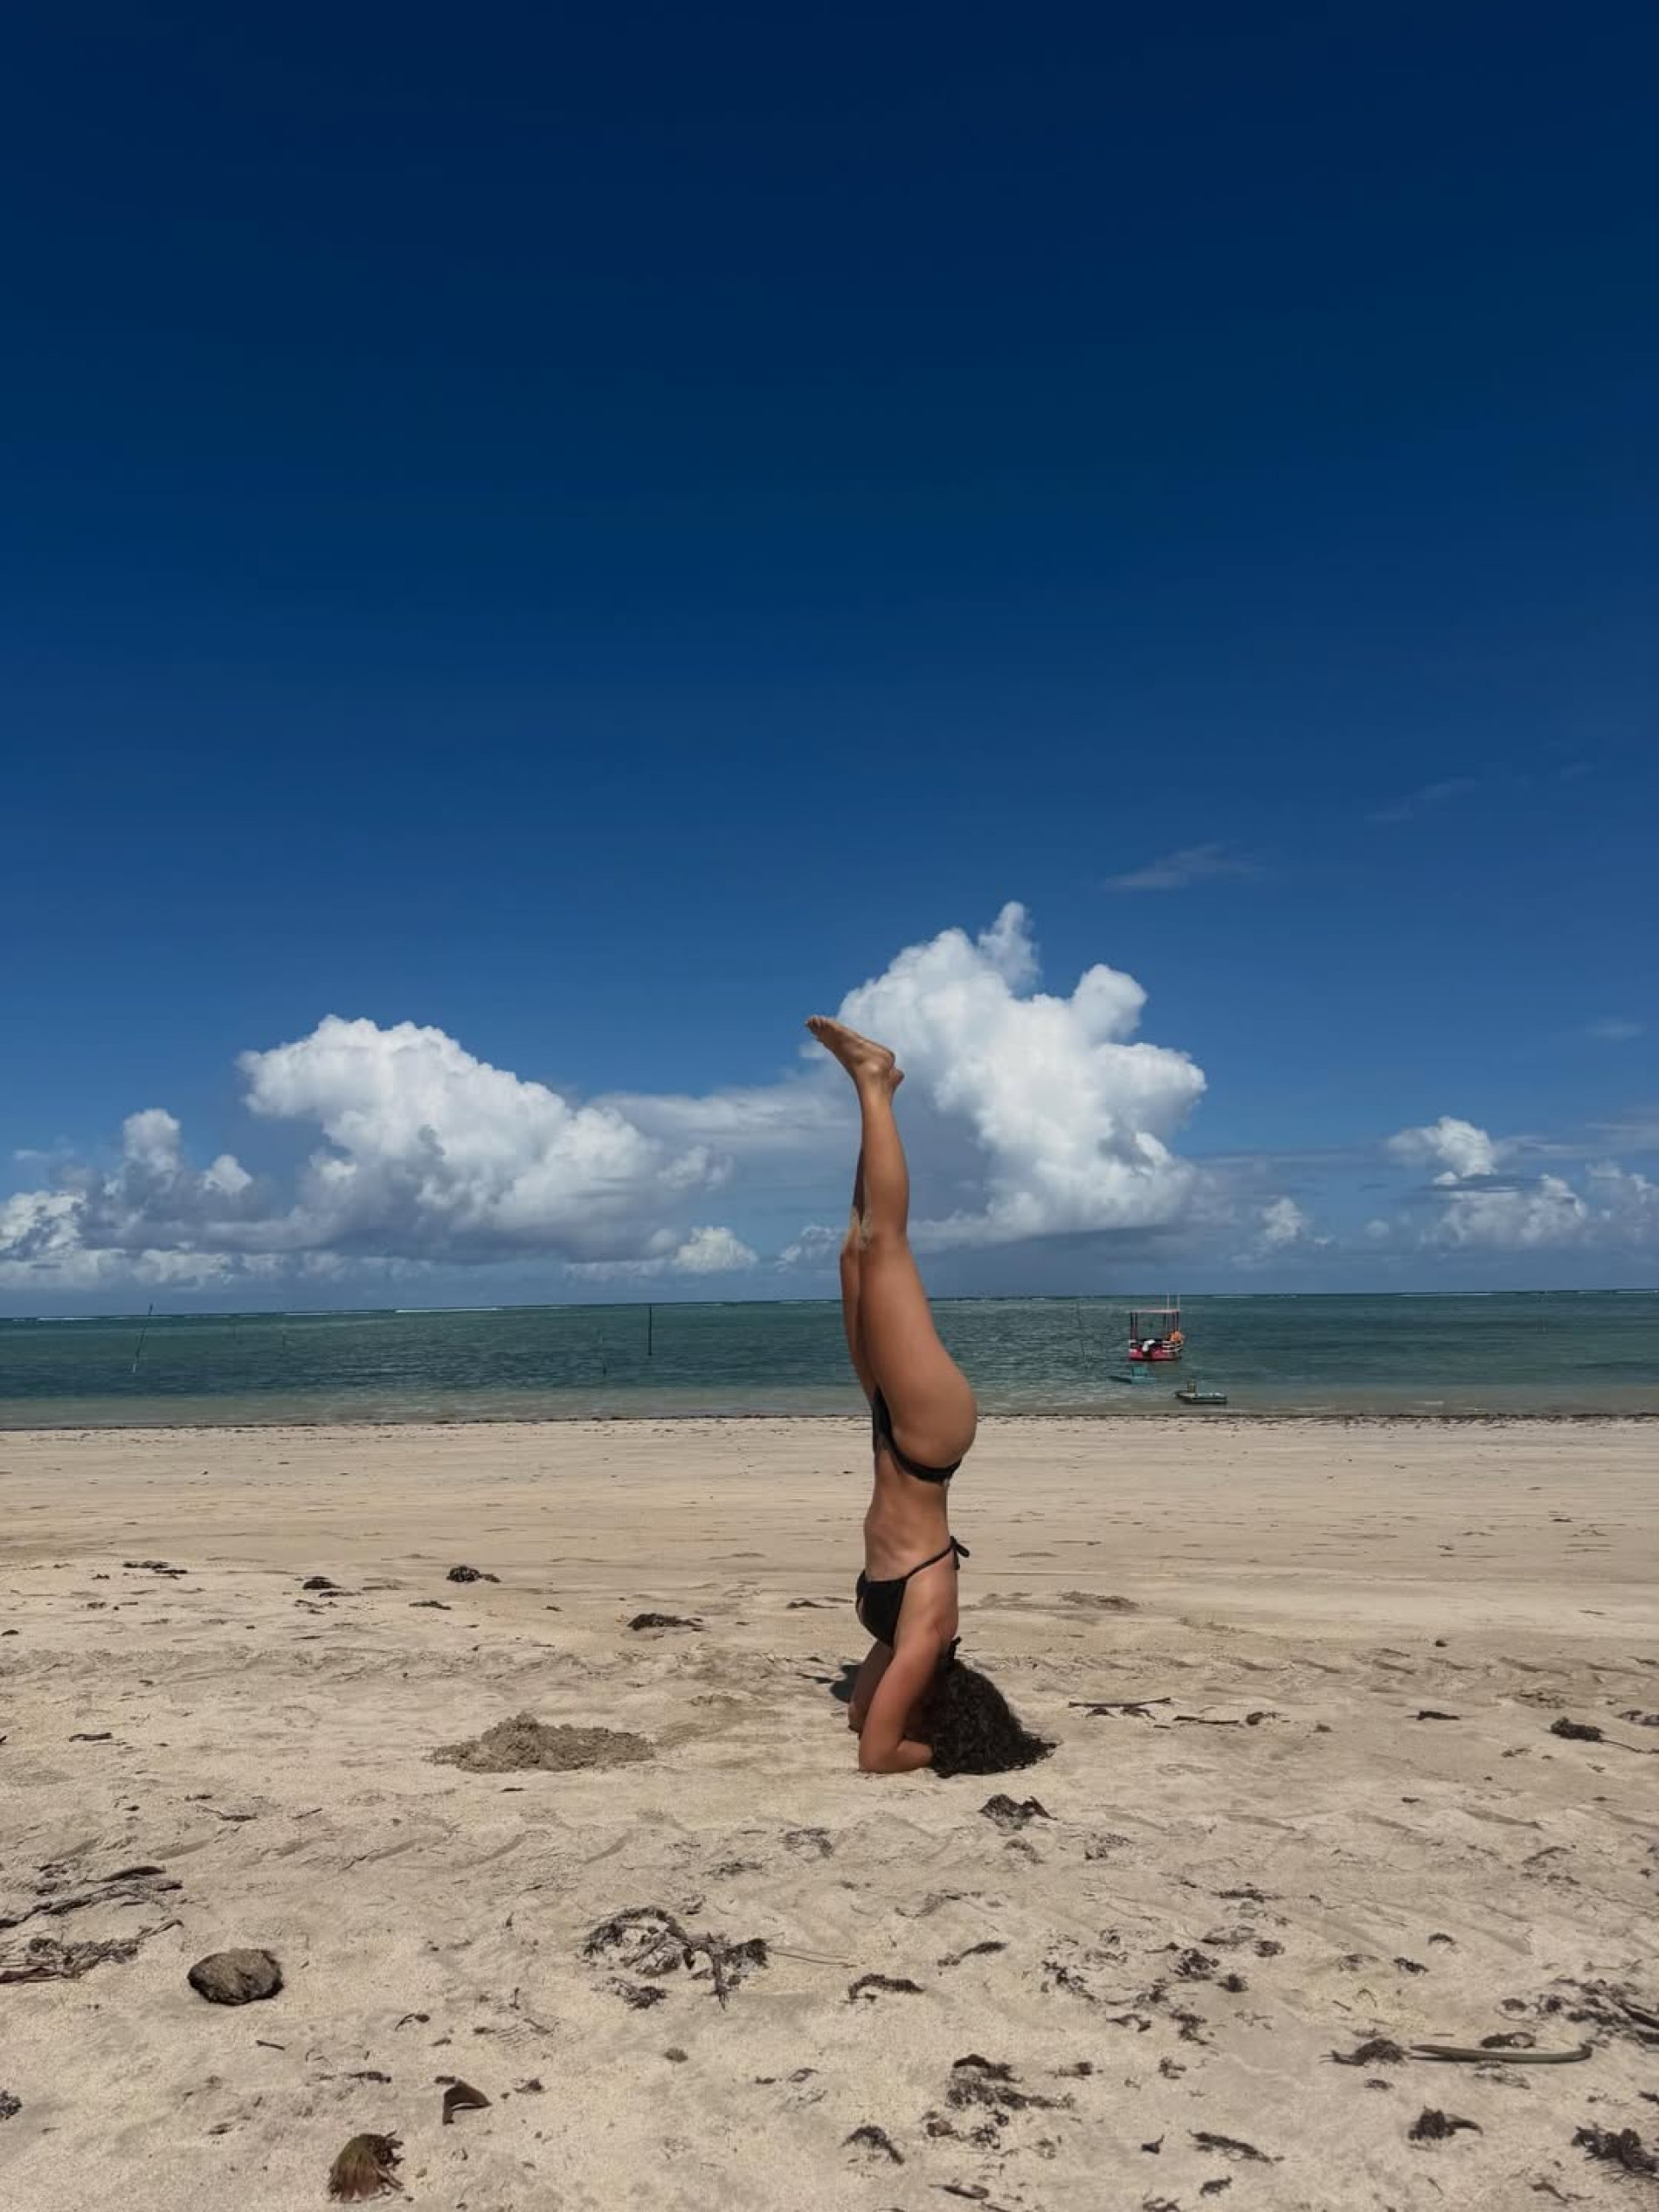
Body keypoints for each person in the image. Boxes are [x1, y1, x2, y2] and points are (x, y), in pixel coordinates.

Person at [807, 1014, 979, 1773]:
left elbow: (860, 1724)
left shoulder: (895, 1637)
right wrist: (931, 1751)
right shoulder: (930, 1633)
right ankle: (873, 1081)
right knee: (886, 1247)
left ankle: (878, 1092)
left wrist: (895, 1725)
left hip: (892, 1440)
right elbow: (883, 1755)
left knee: (852, 1253)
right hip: (929, 1441)